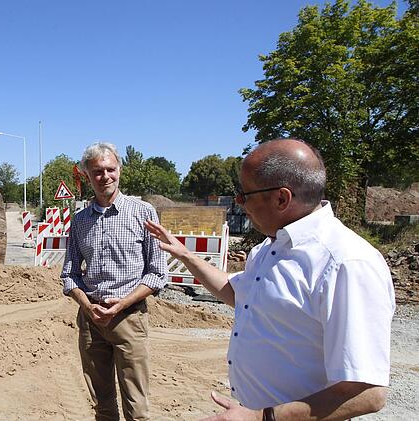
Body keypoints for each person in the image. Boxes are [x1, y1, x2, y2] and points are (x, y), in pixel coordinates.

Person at [145, 139, 395, 421]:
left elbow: (367, 392)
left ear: (281, 198)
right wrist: (186, 256)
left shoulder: (346, 263)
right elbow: (238, 294)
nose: (238, 202)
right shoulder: (268, 249)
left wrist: (260, 417)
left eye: (244, 193)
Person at [61, 142, 166, 421]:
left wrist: (121, 305)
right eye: (97, 171)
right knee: (102, 405)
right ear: (87, 175)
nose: (105, 176)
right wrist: (87, 306)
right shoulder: (79, 221)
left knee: (136, 407)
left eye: (110, 169)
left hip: (129, 319)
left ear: (119, 170)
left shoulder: (143, 213)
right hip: (91, 320)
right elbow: (69, 275)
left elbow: (157, 273)